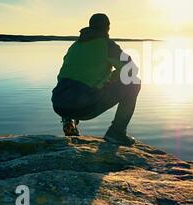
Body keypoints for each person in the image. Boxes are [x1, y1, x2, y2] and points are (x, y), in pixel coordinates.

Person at [51, 13, 141, 146]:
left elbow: (69, 74)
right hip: (84, 106)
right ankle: (116, 132)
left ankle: (69, 120)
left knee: (77, 84)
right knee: (134, 82)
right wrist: (111, 77)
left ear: (90, 26)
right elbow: (131, 70)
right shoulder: (107, 45)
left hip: (59, 103)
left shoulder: (75, 45)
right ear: (108, 28)